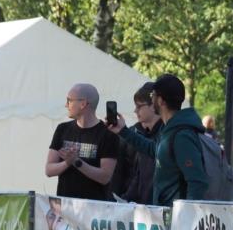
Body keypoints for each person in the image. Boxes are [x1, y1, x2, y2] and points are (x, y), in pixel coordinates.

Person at [107, 73, 209, 205]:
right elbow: (154, 149)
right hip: (165, 215)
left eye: (152, 96)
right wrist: (123, 131)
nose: (151, 99)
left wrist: (186, 217)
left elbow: (197, 182)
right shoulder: (169, 129)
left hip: (175, 218)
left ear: (160, 101)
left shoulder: (182, 136)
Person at [45, 83, 119, 200]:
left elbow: (105, 177)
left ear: (83, 104)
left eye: (69, 100)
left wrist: (76, 161)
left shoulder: (108, 134)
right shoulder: (62, 129)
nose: (66, 105)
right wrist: (67, 162)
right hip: (66, 206)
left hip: (94, 209)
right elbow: (49, 170)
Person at [121, 82, 164, 204]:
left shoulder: (166, 135)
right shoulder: (146, 133)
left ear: (153, 105)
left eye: (139, 106)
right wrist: (126, 198)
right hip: (146, 211)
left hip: (160, 211)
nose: (135, 110)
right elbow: (140, 175)